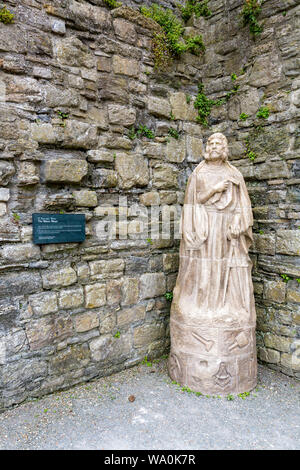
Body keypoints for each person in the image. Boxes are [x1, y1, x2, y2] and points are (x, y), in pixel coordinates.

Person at [168, 133, 257, 394]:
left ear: (225, 149)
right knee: (202, 271)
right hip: (204, 228)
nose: (214, 148)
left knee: (222, 271)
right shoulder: (199, 173)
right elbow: (193, 202)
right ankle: (203, 306)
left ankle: (221, 306)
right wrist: (216, 190)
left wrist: (238, 223)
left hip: (226, 231)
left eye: (218, 144)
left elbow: (244, 206)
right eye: (210, 144)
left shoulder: (235, 175)